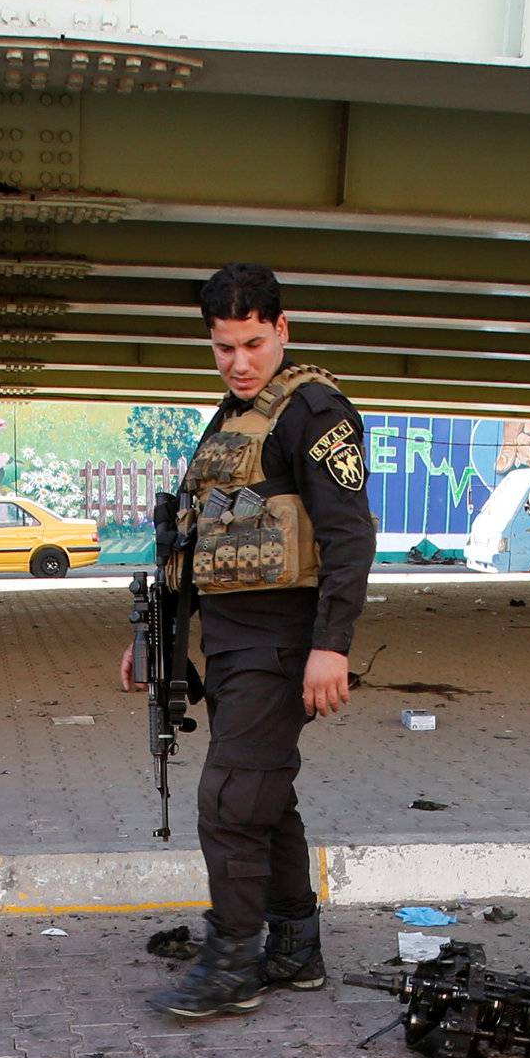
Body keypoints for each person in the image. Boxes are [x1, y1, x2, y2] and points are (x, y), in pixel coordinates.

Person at [119, 261, 375, 1018]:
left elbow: (349, 535)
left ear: (282, 331)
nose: (238, 362)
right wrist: (153, 639)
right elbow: (194, 541)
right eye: (223, 347)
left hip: (283, 646)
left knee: (230, 801)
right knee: (265, 798)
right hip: (231, 649)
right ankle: (294, 951)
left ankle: (233, 960)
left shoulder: (315, 411)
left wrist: (333, 645)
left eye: (253, 344)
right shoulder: (229, 421)